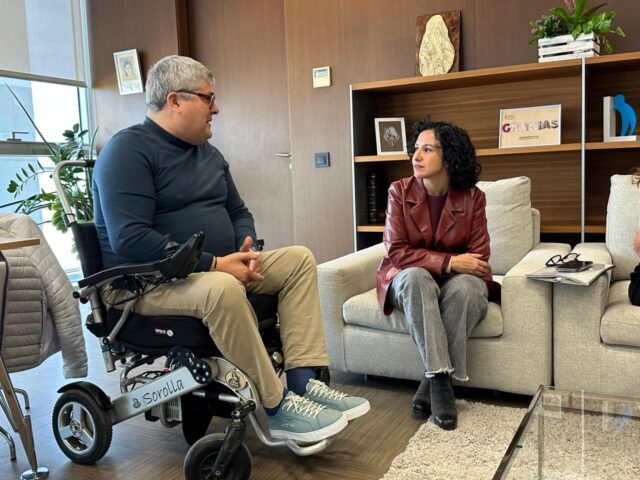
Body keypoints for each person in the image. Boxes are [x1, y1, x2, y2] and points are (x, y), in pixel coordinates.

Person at [93, 55, 369, 443]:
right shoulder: (127, 152)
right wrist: (217, 265)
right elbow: (131, 238)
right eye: (209, 98)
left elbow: (239, 211)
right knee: (221, 287)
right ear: (175, 100)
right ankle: (277, 407)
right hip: (146, 285)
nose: (216, 108)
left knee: (298, 259)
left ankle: (304, 383)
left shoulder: (208, 154)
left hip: (212, 270)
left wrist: (246, 245)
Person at [376, 119, 499, 430]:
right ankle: (444, 383)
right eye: (416, 149)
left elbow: (479, 258)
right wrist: (450, 262)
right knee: (417, 277)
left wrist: (455, 268)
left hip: (455, 283)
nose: (416, 156)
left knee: (467, 288)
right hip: (407, 279)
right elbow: (397, 251)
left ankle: (430, 381)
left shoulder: (473, 197)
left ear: (449, 156)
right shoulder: (399, 191)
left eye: (427, 149)